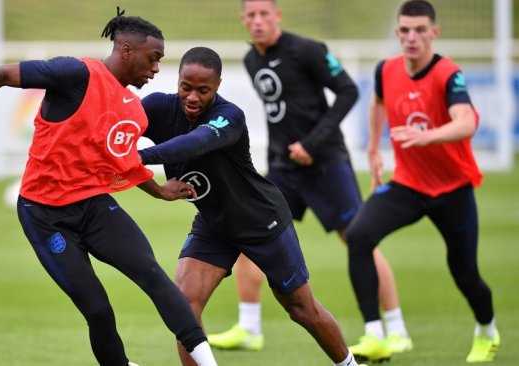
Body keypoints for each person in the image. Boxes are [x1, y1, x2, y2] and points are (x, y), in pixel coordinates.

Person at [0, 8, 218, 366]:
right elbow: (1, 74)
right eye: (153, 59)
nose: (156, 68)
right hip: (44, 215)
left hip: (93, 206)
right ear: (125, 50)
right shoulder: (75, 73)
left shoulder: (134, 111)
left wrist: (158, 190)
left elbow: (120, 162)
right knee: (99, 310)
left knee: (153, 276)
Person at [139, 46, 367, 366]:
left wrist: (142, 156)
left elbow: (197, 142)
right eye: (185, 87)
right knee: (183, 308)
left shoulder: (229, 116)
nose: (192, 97)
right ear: (176, 81)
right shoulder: (158, 108)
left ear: (217, 86)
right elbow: (116, 131)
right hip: (214, 224)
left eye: (203, 90)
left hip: (262, 222)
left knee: (303, 310)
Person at [207, 0, 411, 355]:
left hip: (326, 165)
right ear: (243, 20)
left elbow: (348, 90)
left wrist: (313, 143)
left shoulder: (306, 50)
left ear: (277, 16)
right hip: (285, 170)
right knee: (248, 230)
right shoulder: (253, 60)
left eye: (264, 14)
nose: (257, 21)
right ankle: (250, 327)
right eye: (251, 16)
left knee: (359, 240)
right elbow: (280, 117)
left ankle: (395, 329)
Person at [345, 0, 499, 363]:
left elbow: (466, 121)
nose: (411, 37)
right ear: (397, 32)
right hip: (409, 185)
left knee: (465, 273)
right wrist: (373, 148)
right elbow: (377, 103)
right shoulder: (386, 69)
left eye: (419, 30)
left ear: (434, 32)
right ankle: (375, 334)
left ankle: (487, 330)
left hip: (452, 190)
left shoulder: (448, 74)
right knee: (358, 235)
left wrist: (427, 137)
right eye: (405, 30)